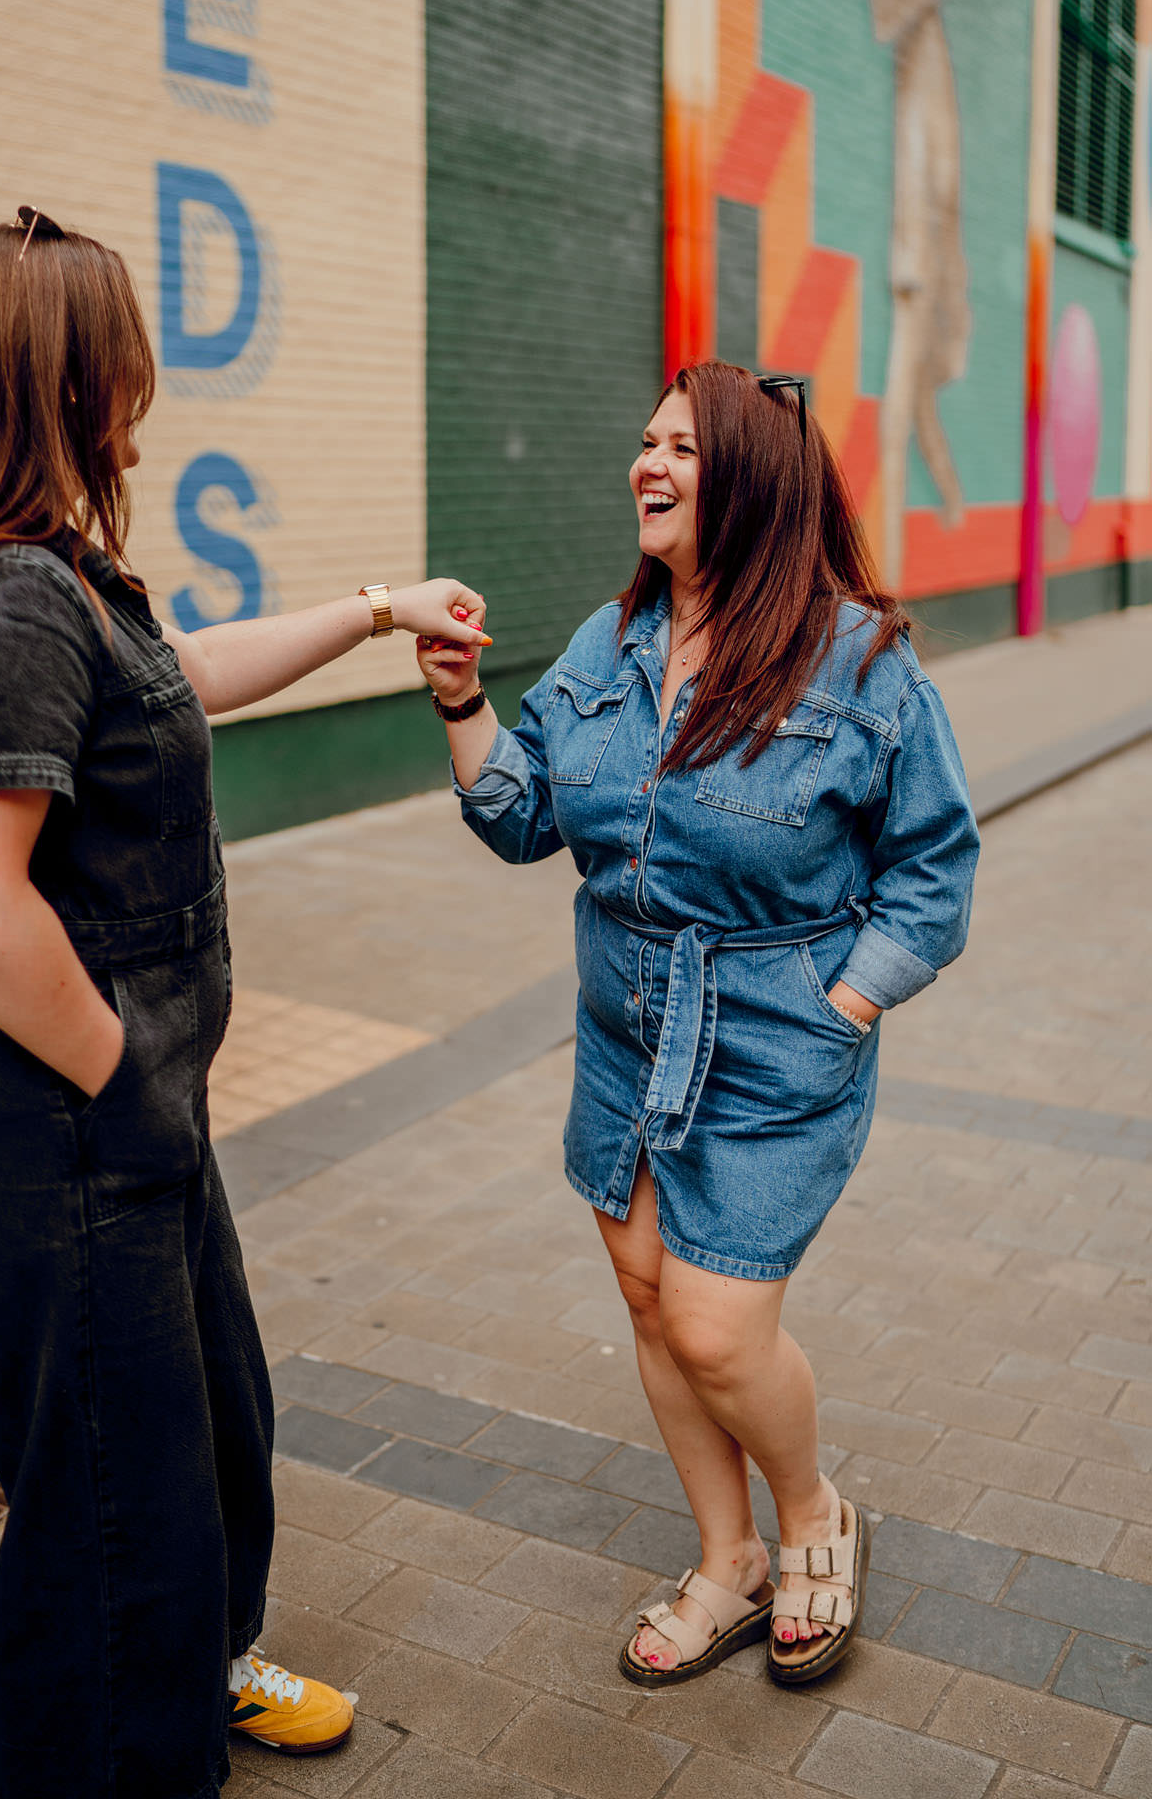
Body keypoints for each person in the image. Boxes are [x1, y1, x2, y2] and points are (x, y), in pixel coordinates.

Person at [0, 208, 489, 1799]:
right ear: (53, 379)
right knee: (110, 1506)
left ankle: (195, 1669)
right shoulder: (0, 606)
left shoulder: (62, 579)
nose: (140, 385)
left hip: (111, 1106)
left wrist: (370, 609)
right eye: (119, 357)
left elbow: (177, 673)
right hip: (42, 1113)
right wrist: (125, 1081)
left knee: (207, 1423)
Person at [416, 359, 977, 1688]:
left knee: (720, 1327)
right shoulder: (609, 643)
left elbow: (932, 870)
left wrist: (843, 1002)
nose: (645, 463)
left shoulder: (861, 657)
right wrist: (456, 698)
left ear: (755, 482)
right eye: (644, 439)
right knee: (651, 1303)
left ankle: (810, 1517)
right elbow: (517, 818)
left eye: (681, 445)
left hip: (775, 1042)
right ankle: (724, 1560)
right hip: (622, 1028)